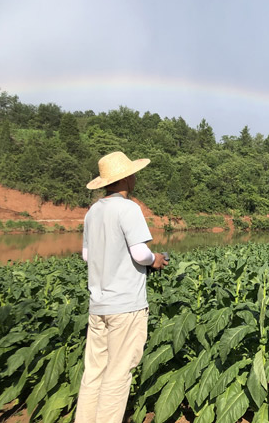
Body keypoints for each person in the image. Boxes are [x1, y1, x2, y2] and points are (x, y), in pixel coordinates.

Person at [75, 151, 168, 423]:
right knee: (117, 375)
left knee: (93, 372)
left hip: (98, 306)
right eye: (133, 173)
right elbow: (140, 254)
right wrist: (156, 260)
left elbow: (87, 256)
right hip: (125, 306)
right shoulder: (129, 208)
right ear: (127, 178)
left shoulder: (93, 212)